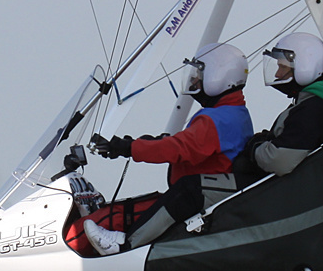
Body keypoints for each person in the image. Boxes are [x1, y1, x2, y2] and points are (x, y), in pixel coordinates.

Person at [82, 42, 253, 255]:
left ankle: (125, 245)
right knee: (152, 202)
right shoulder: (233, 112)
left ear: (220, 76)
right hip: (211, 191)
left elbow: (178, 148)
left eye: (200, 73)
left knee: (179, 196)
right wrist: (138, 143)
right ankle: (110, 228)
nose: (194, 79)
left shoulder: (218, 119)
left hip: (203, 197)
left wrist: (129, 148)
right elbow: (187, 144)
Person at [245, 32, 323, 176]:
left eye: (283, 67)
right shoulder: (308, 102)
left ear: (305, 66)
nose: (277, 75)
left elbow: (278, 160)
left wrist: (254, 147)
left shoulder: (312, 109)